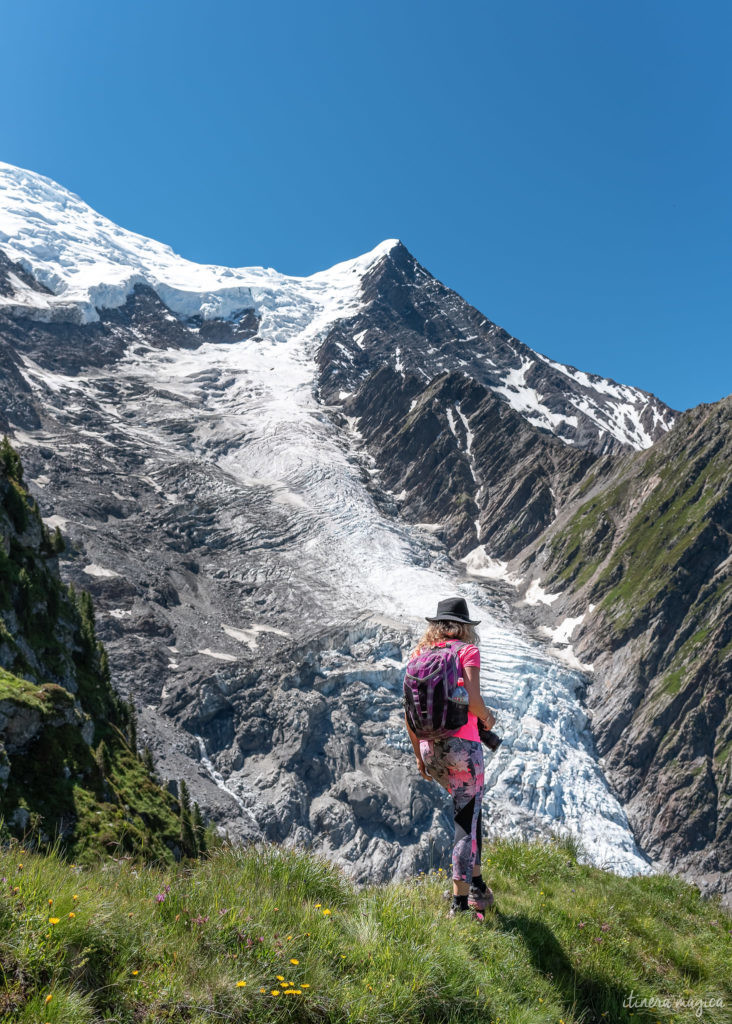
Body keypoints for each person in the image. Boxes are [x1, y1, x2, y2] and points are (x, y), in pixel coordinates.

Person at [405, 596, 497, 915]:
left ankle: (478, 882)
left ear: (436, 627)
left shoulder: (420, 655)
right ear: (464, 628)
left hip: (431, 749)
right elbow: (473, 700)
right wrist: (487, 718)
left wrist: (420, 755)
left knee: (468, 814)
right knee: (464, 822)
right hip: (462, 751)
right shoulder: (467, 651)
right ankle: (460, 903)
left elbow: (409, 711)